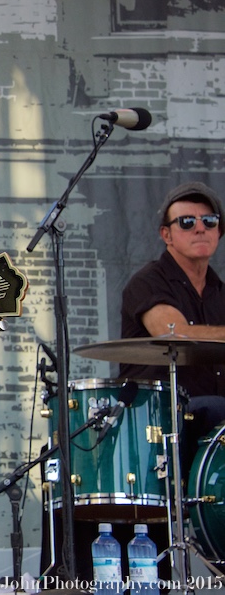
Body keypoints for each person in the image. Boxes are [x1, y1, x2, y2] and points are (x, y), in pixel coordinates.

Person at [120, 180, 225, 467]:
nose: (200, 228)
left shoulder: (220, 292)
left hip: (213, 427)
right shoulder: (148, 282)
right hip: (156, 420)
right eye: (187, 222)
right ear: (166, 234)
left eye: (210, 221)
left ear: (219, 230)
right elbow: (175, 333)